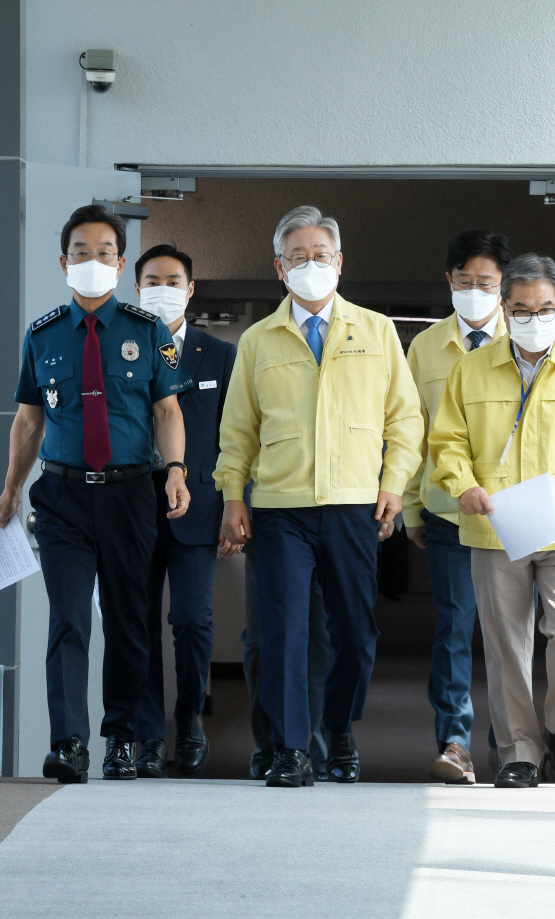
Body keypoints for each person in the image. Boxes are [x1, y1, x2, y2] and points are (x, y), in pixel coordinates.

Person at [214, 205, 423, 787]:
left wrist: (393, 484)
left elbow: (405, 421)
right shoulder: (258, 339)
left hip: (355, 504)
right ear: (280, 268)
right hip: (279, 508)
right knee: (282, 631)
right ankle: (289, 748)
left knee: (354, 632)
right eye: (298, 257)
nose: (311, 265)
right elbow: (237, 431)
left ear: (340, 263)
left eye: (321, 255)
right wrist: (234, 496)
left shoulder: (377, 330)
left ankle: (339, 729)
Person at [0, 204, 193, 783]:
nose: (93, 261)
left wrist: (177, 470)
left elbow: (167, 410)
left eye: (104, 252)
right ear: (64, 262)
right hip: (60, 498)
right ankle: (69, 743)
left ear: (120, 261)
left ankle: (122, 739)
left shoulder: (149, 331)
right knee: (67, 621)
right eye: (81, 252)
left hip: (130, 494)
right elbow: (28, 422)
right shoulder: (42, 335)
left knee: (129, 619)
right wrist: (10, 489)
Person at [429, 253, 555, 788]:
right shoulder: (470, 369)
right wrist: (462, 484)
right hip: (496, 528)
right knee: (506, 642)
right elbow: (447, 441)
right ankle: (519, 752)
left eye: (545, 309)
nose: (533, 318)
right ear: (504, 308)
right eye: (521, 309)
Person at [403, 230, 511, 784]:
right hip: (448, 512)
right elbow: (416, 433)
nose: (474, 291)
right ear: (449, 280)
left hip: (513, 515)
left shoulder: (525, 337)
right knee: (453, 628)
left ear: (503, 287)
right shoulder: (424, 347)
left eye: (486, 283)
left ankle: (511, 744)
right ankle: (456, 743)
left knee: (508, 632)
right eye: (465, 281)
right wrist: (413, 508)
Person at [131, 244, 238, 779]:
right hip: (130, 505)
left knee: (192, 620)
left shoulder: (218, 355)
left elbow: (234, 436)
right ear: (136, 288)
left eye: (173, 280)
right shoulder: (119, 346)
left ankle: (190, 715)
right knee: (140, 622)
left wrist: (232, 505)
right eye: (152, 280)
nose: (163, 288)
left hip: (198, 508)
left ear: (191, 290)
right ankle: (149, 734)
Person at [243, 536, 333, 780]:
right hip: (265, 520)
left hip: (338, 519)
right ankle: (270, 744)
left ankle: (321, 743)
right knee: (262, 642)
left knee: (322, 644)